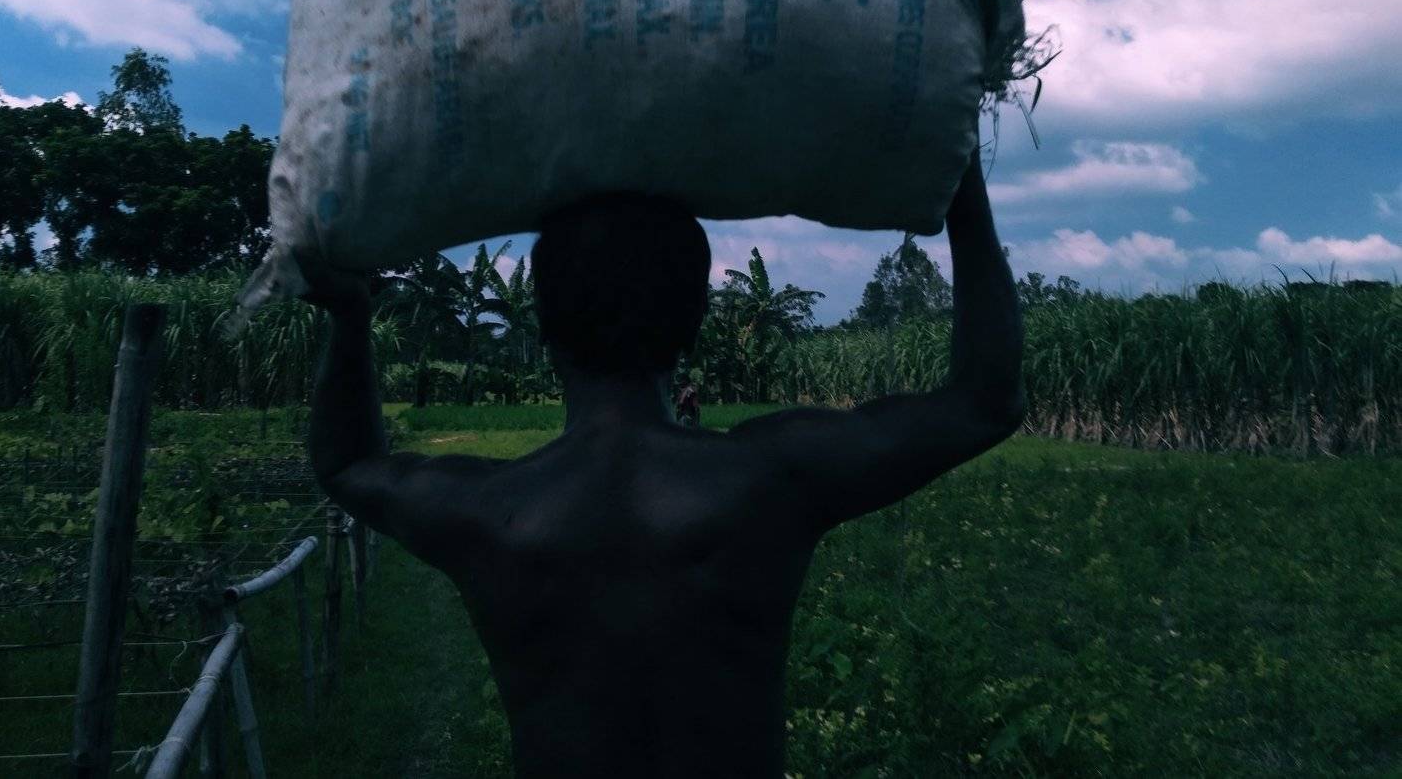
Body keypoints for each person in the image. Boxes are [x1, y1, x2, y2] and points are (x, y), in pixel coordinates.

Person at [299, 146, 1024, 779]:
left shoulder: (488, 509)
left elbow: (347, 462)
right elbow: (985, 402)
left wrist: (350, 314)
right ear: (696, 318)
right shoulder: (772, 477)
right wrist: (961, 175)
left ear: (541, 323)